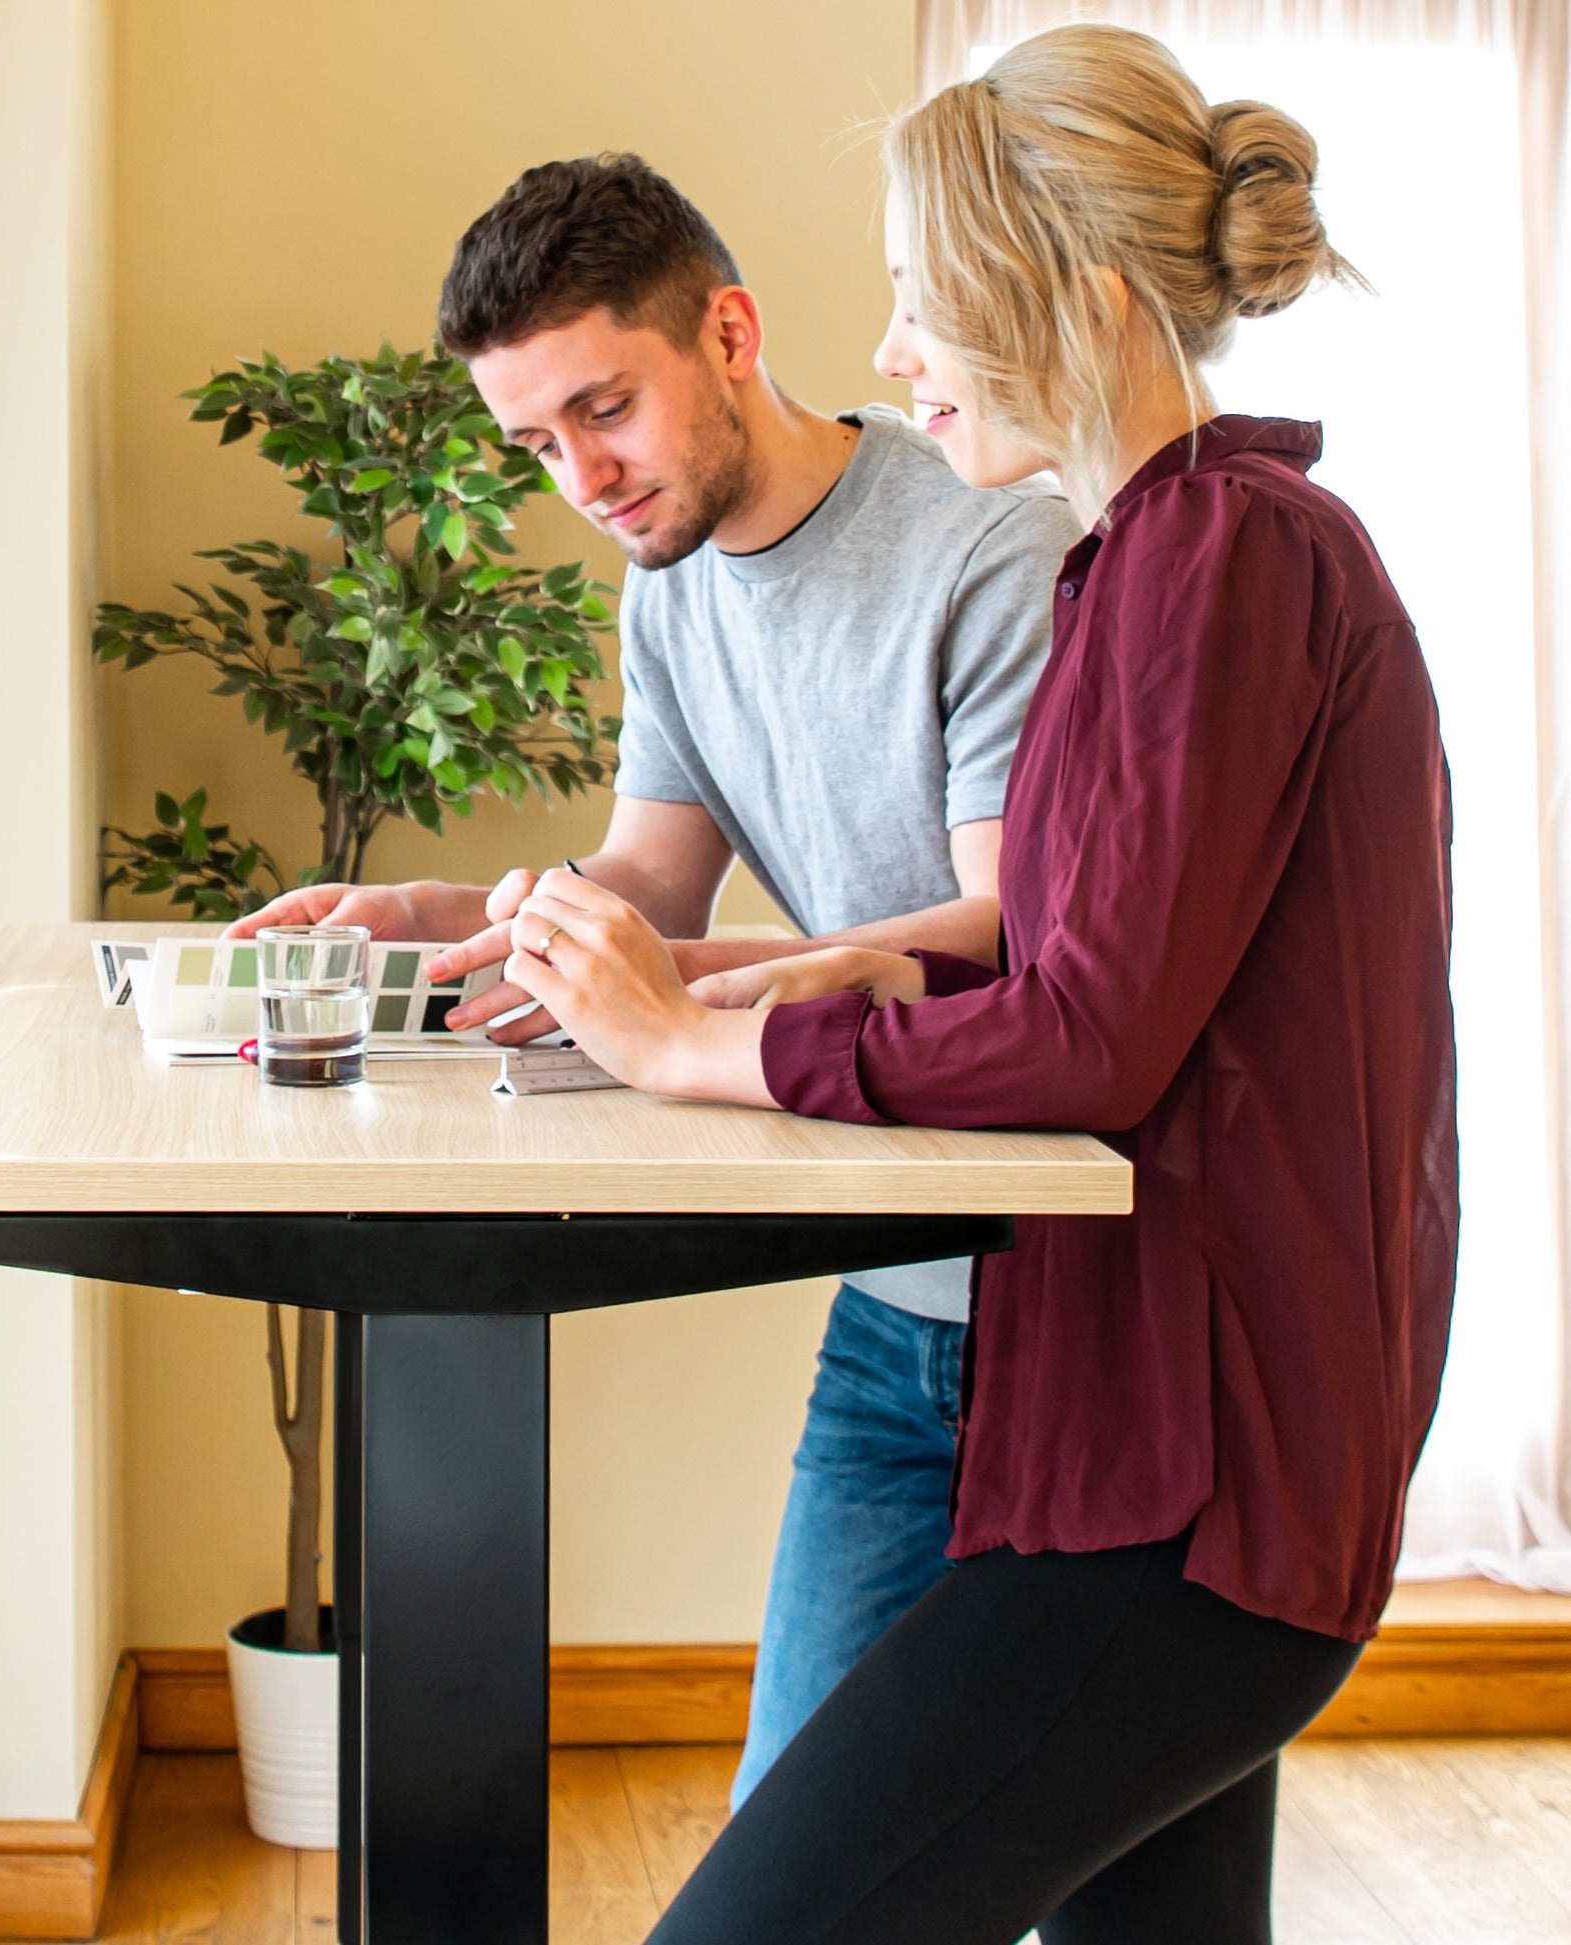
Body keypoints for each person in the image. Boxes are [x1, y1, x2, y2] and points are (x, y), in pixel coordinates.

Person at [493, 26, 1458, 1943]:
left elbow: (1089, 1039)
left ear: (1072, 300)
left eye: (925, 302)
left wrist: (704, 1044)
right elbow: (1091, 960)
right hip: (1146, 1430)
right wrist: (810, 968)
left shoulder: (1219, 557)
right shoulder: (1158, 560)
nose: (893, 352)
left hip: (1190, 1482)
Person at [227, 155, 1081, 1801]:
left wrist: (675, 1004)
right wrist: (433, 913)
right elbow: (652, 879)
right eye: (536, 444)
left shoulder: (986, 542)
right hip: (896, 1286)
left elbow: (1009, 932)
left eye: (602, 409)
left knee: (1002, 1863)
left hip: (1062, 1286)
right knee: (806, 1820)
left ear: (733, 332)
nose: (580, 475)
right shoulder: (668, 584)